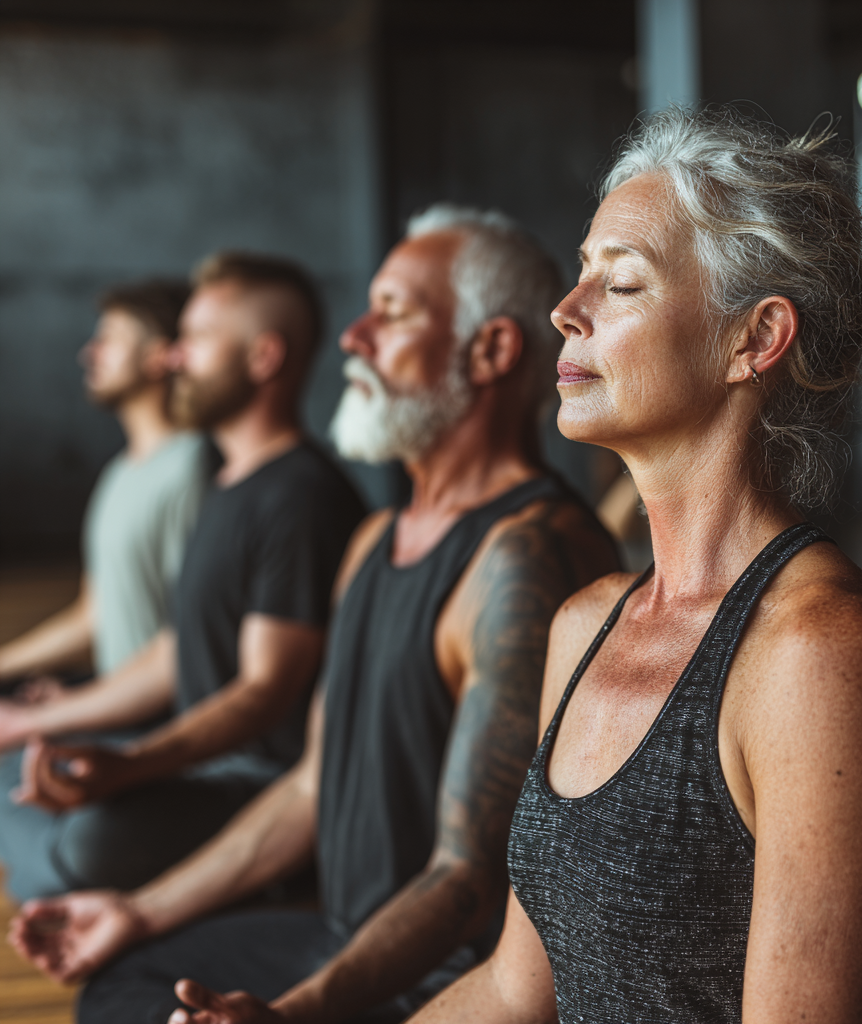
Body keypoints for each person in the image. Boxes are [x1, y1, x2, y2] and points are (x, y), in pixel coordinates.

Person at [9, 205, 619, 1024]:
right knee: (121, 982)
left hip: (439, 982)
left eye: (393, 312)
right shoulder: (374, 539)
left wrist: (292, 1015)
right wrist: (139, 910)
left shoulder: (528, 555)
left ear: (493, 350)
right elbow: (309, 787)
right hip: (344, 931)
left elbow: (468, 885)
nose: (354, 336)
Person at [400, 109, 862, 1024]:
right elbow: (517, 989)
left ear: (755, 339)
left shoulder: (821, 654)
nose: (565, 312)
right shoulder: (585, 623)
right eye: (580, 275)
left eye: (620, 283)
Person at [0, 252, 364, 900]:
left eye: (194, 341)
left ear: (263, 359)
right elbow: (176, 644)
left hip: (262, 787)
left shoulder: (300, 496)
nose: (173, 358)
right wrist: (47, 718)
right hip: (201, 765)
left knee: (85, 837)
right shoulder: (229, 481)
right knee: (21, 790)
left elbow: (264, 691)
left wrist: (132, 764)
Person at [0, 279, 208, 687]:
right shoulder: (119, 473)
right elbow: (93, 617)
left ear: (159, 356)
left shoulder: (191, 466)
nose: (88, 353)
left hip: (155, 729)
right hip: (115, 712)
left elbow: (188, 636)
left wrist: (81, 708)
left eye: (109, 339)